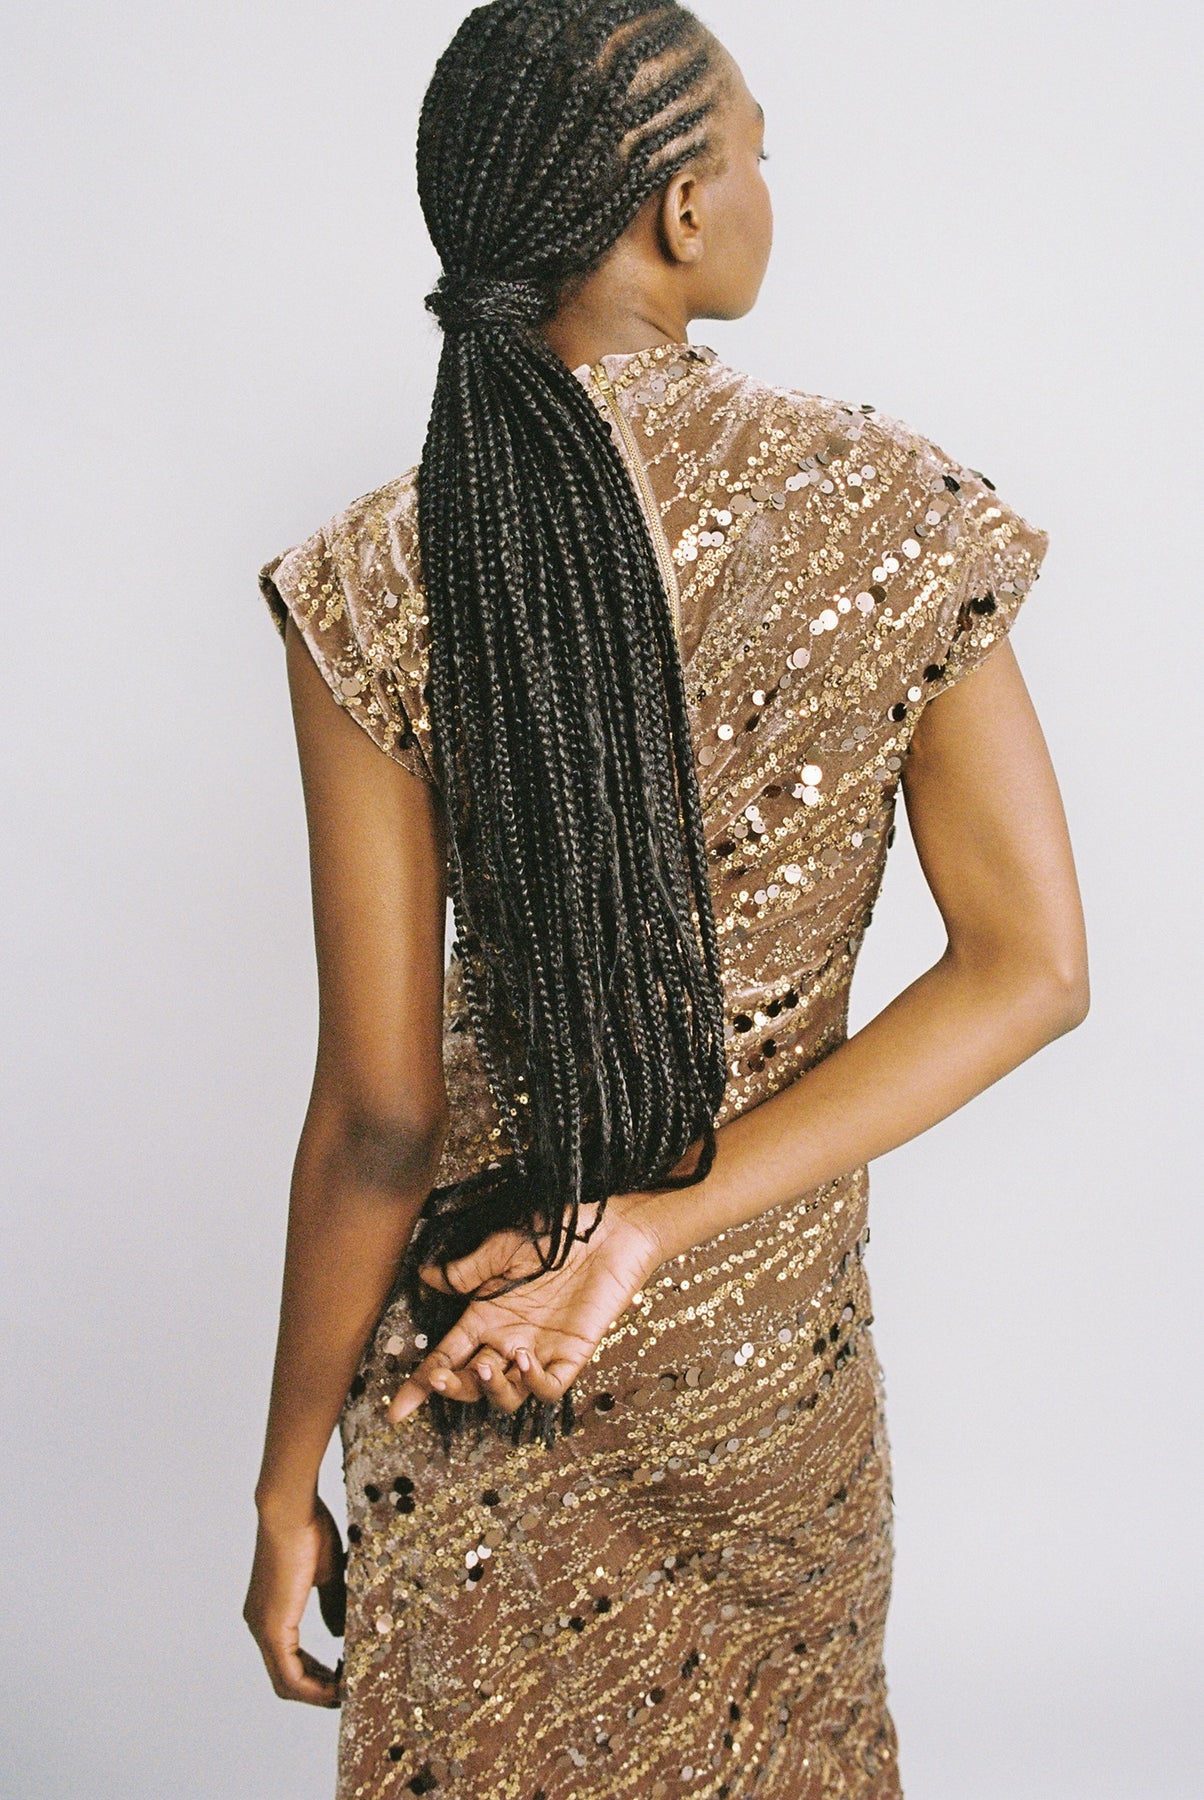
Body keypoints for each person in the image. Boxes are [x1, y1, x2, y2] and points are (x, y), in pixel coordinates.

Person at [243, 3, 1089, 1795]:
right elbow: (1030, 970)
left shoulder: (378, 570)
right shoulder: (890, 512)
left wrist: (280, 1475)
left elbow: (382, 1118)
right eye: (757, 148)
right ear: (683, 211)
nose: (769, 182)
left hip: (477, 1353)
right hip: (763, 1370)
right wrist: (651, 1234)